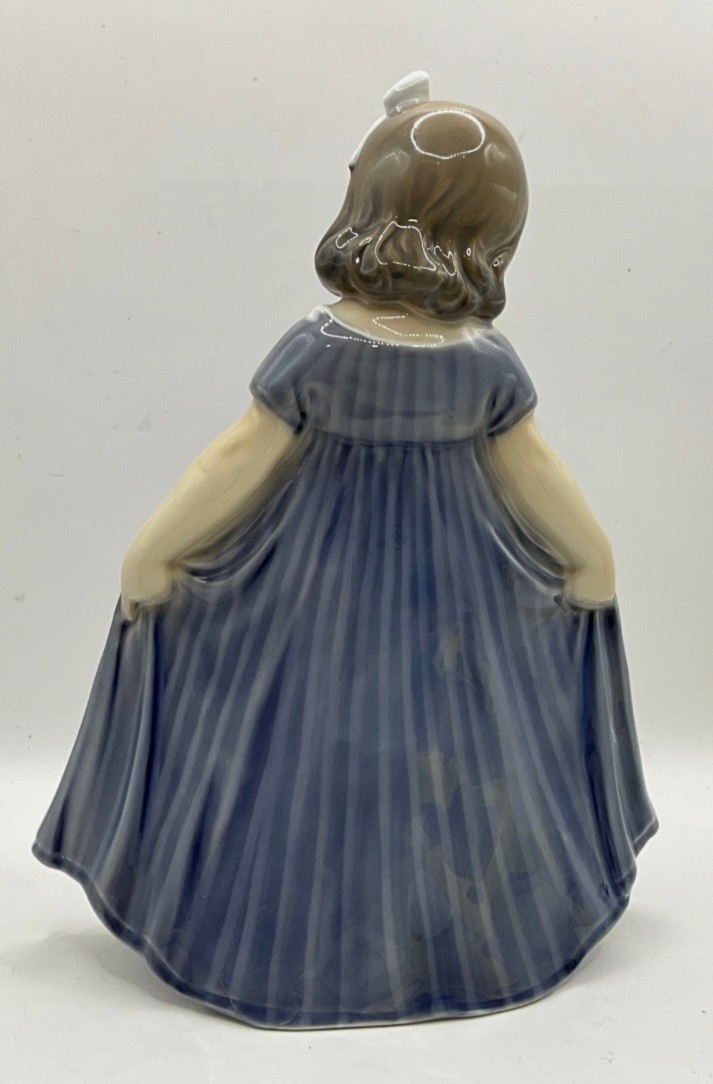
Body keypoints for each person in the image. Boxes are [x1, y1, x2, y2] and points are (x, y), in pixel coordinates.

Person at [32, 73, 658, 1029]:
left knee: (305, 766)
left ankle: (287, 941)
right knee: (449, 766)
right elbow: (537, 476)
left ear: (369, 201)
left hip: (313, 611)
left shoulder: (320, 347)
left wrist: (153, 552)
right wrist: (590, 559)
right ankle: (460, 940)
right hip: (454, 622)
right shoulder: (483, 362)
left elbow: (235, 460)